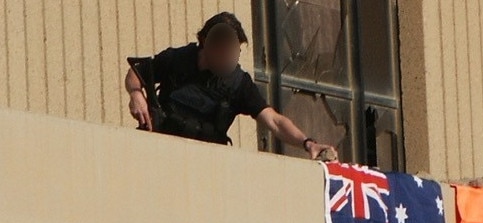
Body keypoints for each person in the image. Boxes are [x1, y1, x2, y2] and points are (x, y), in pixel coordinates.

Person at [125, 12, 336, 159]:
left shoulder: (238, 84)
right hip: (159, 151)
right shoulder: (177, 59)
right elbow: (136, 75)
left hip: (206, 163)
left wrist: (309, 143)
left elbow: (274, 121)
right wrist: (136, 94)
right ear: (205, 41)